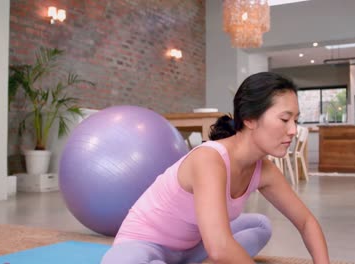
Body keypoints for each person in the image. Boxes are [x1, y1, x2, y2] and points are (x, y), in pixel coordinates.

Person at [101, 72, 330, 264]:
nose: (292, 130)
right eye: (284, 119)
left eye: (295, 120)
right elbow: (219, 247)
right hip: (144, 245)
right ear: (249, 119)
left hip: (190, 249)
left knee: (260, 225)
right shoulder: (210, 159)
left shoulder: (265, 170)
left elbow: (306, 221)